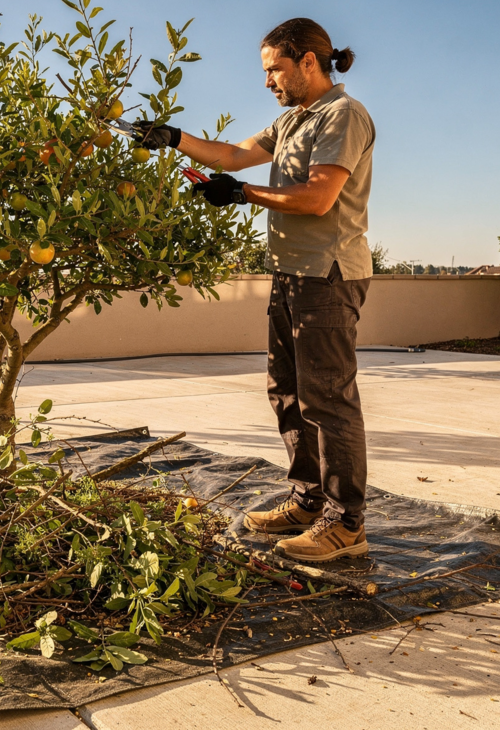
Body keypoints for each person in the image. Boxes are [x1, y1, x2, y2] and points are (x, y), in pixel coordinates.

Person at [132, 18, 375, 562]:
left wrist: (243, 194)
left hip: (327, 275)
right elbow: (233, 155)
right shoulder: (291, 121)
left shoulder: (342, 116)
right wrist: (173, 138)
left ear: (307, 61)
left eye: (274, 69)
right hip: (290, 272)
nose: (268, 80)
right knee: (286, 392)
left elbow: (317, 199)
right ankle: (308, 500)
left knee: (328, 401)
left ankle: (346, 523)